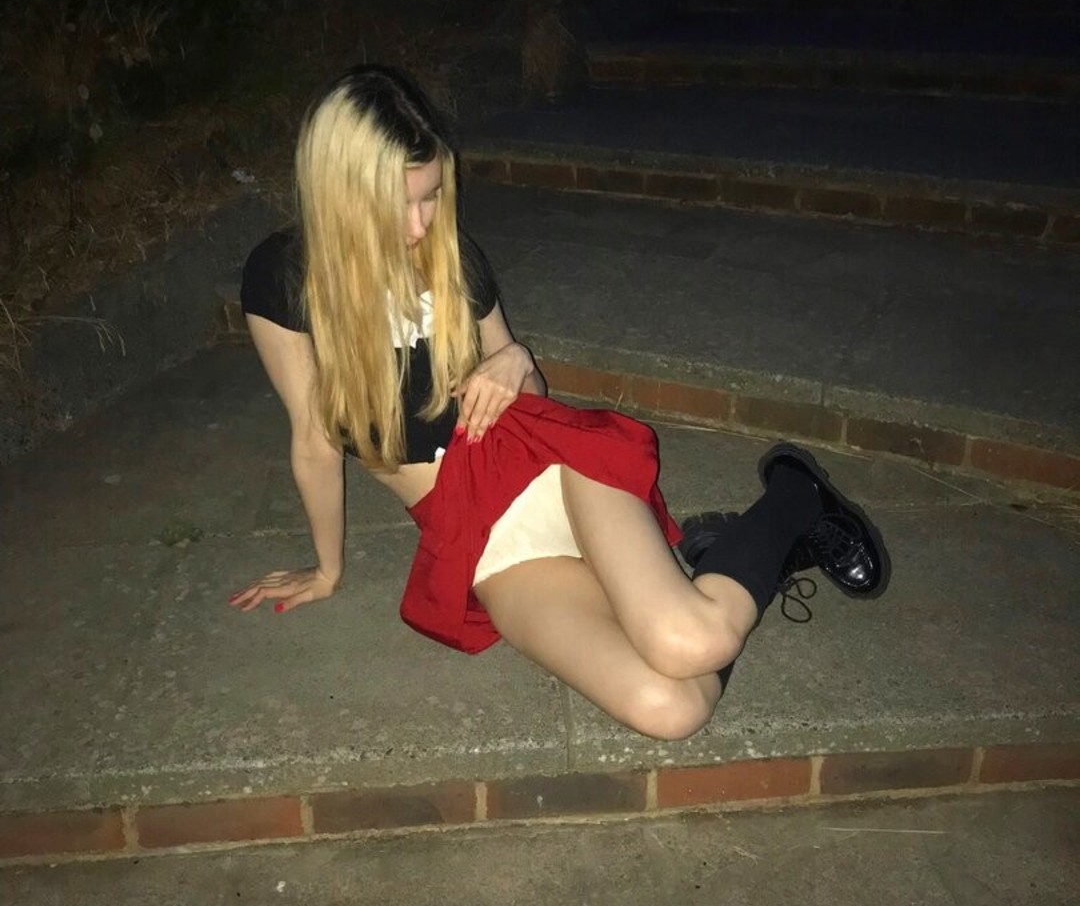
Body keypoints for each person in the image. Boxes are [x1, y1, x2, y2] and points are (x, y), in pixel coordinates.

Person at [230, 65, 889, 741]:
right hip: (480, 538)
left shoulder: (452, 259)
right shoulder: (285, 279)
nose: (422, 224)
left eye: (432, 196)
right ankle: (738, 558)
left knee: (693, 642)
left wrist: (515, 360)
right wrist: (328, 569)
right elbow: (313, 440)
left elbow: (531, 396)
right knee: (672, 709)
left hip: (548, 468)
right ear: (343, 193)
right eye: (401, 204)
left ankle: (794, 495)